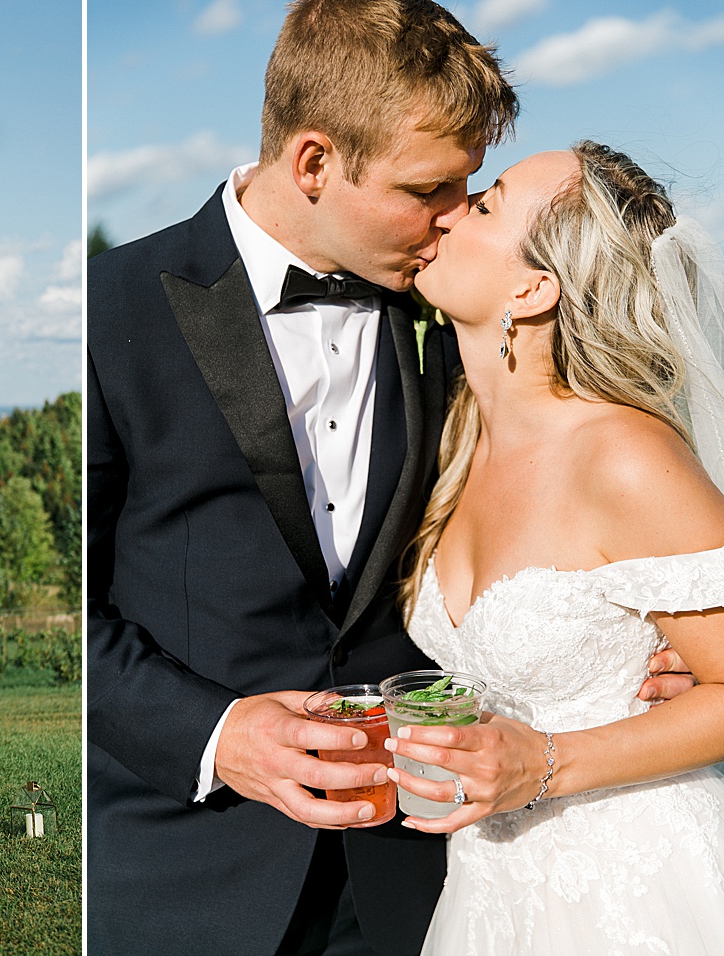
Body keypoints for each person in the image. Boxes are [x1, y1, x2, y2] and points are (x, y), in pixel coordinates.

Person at [87, 3, 519, 953]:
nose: (455, 219)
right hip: (181, 874)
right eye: (428, 189)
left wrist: (630, 634)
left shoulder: (455, 312)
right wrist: (217, 734)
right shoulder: (102, 309)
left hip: (419, 873)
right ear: (314, 162)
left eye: (468, 189)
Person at [388, 142, 724, 955]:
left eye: (489, 202)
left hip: (638, 887)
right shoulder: (456, 441)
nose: (453, 206)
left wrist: (543, 761)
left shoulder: (625, 456)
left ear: (534, 288)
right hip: (488, 888)